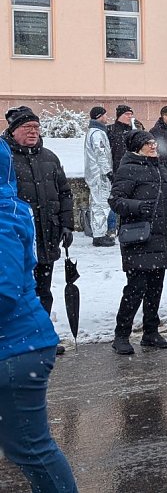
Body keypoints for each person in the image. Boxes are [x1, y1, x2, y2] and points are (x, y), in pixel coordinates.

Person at [0, 138, 78, 493]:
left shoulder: (2, 214)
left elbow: (5, 291)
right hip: (19, 345)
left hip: (17, 348)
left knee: (30, 448)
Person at [109, 130, 167, 355]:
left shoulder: (160, 168)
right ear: (137, 147)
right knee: (135, 289)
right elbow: (115, 201)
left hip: (160, 237)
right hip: (138, 237)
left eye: (153, 142)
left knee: (155, 288)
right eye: (147, 143)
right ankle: (121, 335)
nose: (153, 146)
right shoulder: (127, 169)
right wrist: (136, 207)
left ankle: (150, 332)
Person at [2, 106, 73, 356]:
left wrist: (66, 224)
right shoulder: (5, 159)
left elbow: (64, 192)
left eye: (36, 127)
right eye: (26, 128)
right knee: (16, 291)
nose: (33, 132)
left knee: (43, 290)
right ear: (13, 131)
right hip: (15, 240)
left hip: (47, 235)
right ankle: (16, 341)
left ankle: (42, 338)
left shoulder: (49, 157)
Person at [84, 106, 115, 247]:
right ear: (99, 116)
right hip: (99, 175)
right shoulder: (97, 134)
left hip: (95, 173)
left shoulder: (94, 132)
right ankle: (99, 235)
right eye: (104, 115)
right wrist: (108, 172)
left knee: (97, 204)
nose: (106, 118)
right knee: (101, 205)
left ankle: (99, 233)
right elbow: (101, 154)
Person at [107, 105, 137, 173]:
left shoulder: (132, 131)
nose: (130, 116)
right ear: (119, 115)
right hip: (116, 167)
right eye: (127, 114)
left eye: (131, 114)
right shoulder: (110, 130)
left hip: (131, 167)